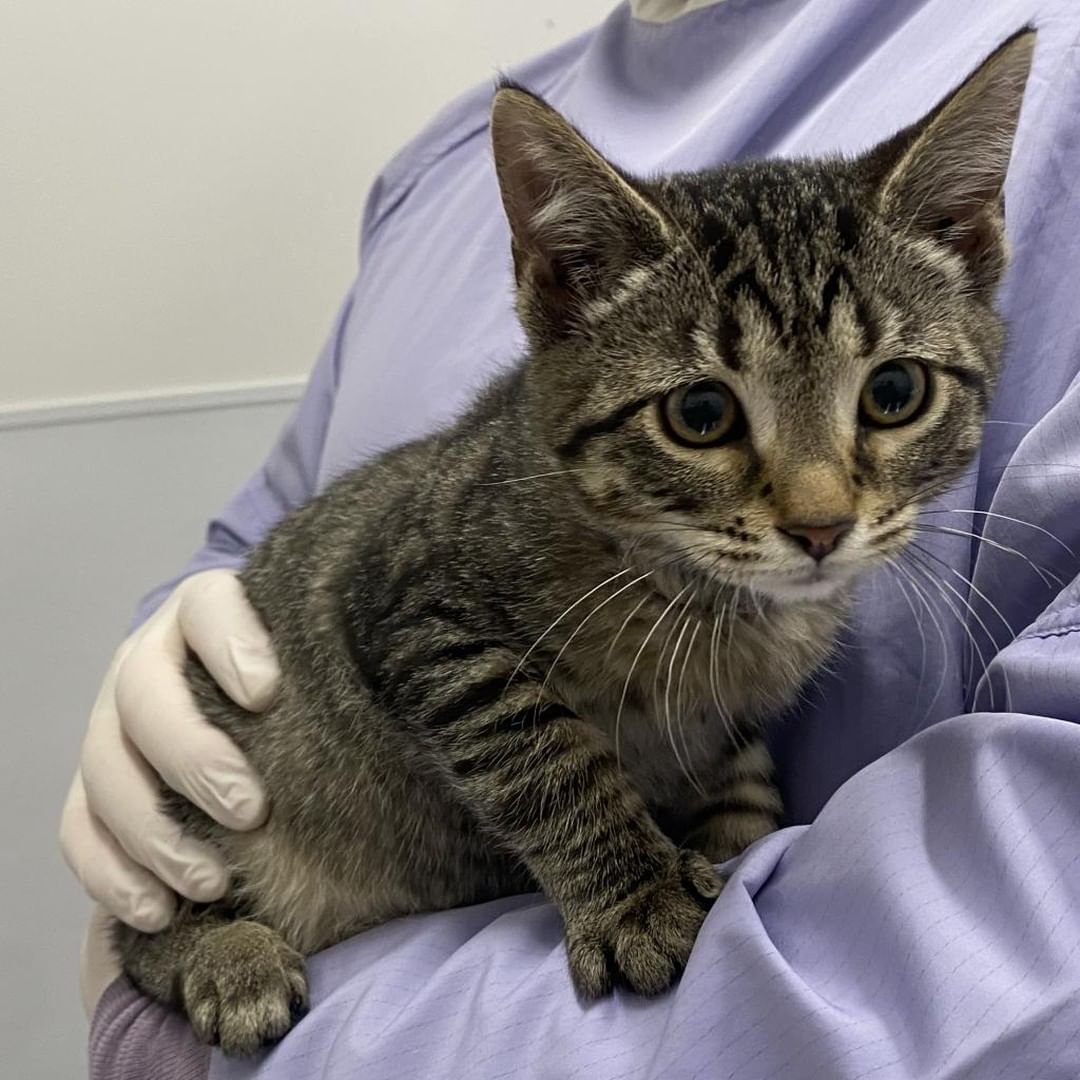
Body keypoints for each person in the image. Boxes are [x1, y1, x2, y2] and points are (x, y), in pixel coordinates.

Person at [65, 0, 1080, 1076]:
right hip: (295, 832)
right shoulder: (435, 163)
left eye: (890, 393)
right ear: (560, 285)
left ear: (971, 238)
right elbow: (307, 568)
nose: (819, 510)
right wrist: (153, 660)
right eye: (706, 416)